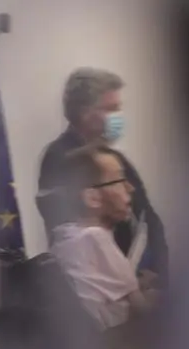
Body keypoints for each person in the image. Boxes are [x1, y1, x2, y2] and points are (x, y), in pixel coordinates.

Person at [37, 68, 168, 288]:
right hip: (97, 289)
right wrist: (125, 280)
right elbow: (71, 230)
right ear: (84, 112)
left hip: (138, 284)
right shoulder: (59, 159)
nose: (118, 116)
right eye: (110, 109)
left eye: (119, 108)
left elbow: (147, 217)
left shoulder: (115, 159)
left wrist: (159, 274)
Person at [48, 145, 158, 331]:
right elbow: (141, 309)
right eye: (119, 180)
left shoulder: (66, 238)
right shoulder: (94, 238)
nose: (130, 188)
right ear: (92, 198)